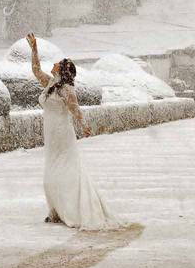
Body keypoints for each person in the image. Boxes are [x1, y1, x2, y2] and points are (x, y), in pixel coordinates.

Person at [27, 32, 125, 231]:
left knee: (66, 171)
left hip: (62, 134)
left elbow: (76, 112)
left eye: (57, 63)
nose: (53, 64)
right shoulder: (50, 83)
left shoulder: (67, 91)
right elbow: (36, 69)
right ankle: (56, 210)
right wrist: (34, 49)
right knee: (51, 173)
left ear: (62, 70)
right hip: (51, 133)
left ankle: (70, 209)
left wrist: (84, 127)